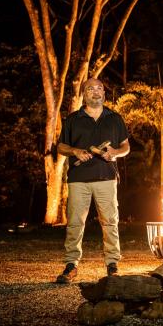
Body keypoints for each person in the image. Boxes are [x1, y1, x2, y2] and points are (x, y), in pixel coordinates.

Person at [55, 78, 130, 284]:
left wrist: (115, 153)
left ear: (104, 94)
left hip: (106, 177)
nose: (96, 92)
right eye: (90, 89)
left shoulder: (115, 118)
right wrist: (75, 151)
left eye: (100, 89)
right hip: (79, 179)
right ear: (84, 93)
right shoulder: (73, 119)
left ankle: (112, 264)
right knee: (75, 223)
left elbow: (126, 147)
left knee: (110, 222)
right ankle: (71, 265)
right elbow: (61, 147)